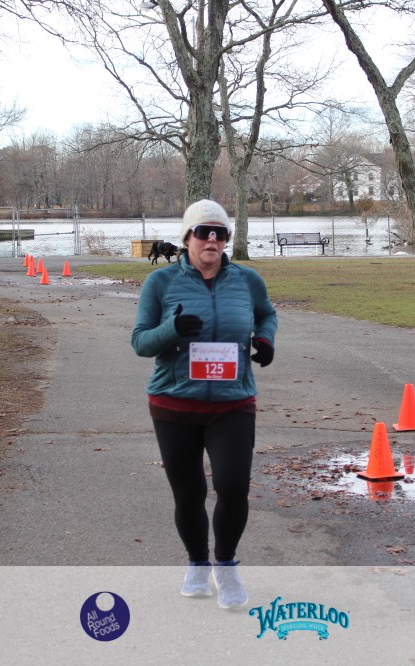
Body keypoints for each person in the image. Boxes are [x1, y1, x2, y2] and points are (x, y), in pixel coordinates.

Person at [131, 199, 277, 610]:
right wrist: (171, 330)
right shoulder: (160, 283)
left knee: (233, 487)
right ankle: (197, 564)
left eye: (220, 233)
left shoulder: (247, 280)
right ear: (187, 238)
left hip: (232, 403)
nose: (212, 240)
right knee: (189, 494)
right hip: (174, 404)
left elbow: (267, 315)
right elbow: (140, 342)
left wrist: (265, 340)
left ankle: (225, 567)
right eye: (203, 232)